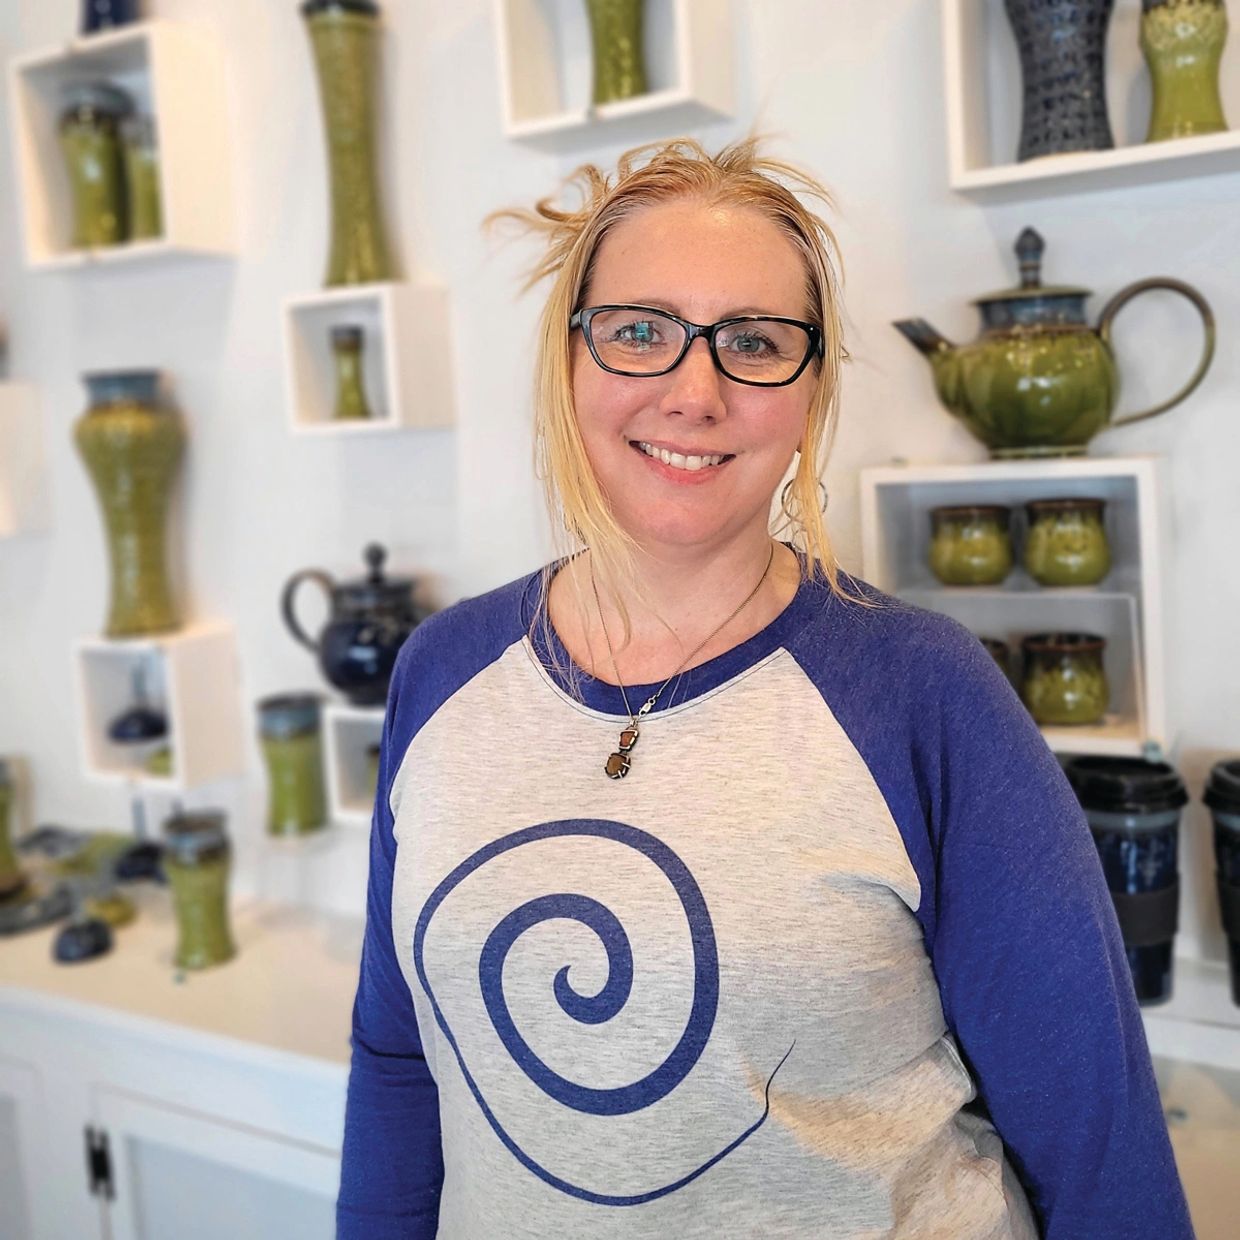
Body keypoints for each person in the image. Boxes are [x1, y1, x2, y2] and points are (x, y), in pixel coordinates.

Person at [336, 137, 1193, 1239]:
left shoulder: (927, 695)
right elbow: (398, 1058)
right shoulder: (441, 669)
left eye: (752, 341)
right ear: (568, 360)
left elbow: (1096, 1141)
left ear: (810, 388)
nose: (695, 392)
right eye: (640, 331)